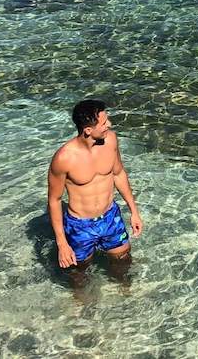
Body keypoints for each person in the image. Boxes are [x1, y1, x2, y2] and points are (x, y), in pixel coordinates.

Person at [48, 99, 143, 272]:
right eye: (104, 123)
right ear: (88, 130)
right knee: (79, 271)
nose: (110, 124)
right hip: (80, 225)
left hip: (110, 217)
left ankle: (125, 293)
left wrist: (134, 211)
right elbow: (55, 200)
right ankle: (82, 300)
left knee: (123, 261)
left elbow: (119, 173)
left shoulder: (111, 140)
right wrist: (62, 243)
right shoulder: (64, 158)